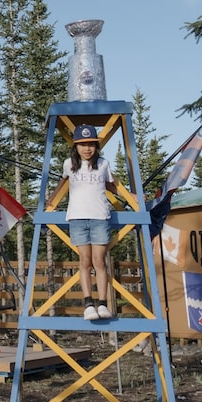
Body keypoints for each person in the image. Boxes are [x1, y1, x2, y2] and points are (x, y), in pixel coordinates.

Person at [49, 123, 120, 321]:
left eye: (91, 144)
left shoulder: (103, 164)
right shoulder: (68, 164)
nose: (87, 149)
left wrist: (131, 196)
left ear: (96, 146)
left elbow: (111, 185)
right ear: (76, 146)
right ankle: (88, 303)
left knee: (99, 261)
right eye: (82, 144)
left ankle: (103, 303)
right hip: (77, 218)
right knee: (85, 261)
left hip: (100, 217)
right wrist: (52, 200)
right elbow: (63, 182)